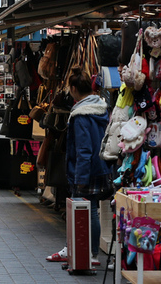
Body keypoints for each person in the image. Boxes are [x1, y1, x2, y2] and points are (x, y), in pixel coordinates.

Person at [46, 68, 110, 267]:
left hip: (85, 169)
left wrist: (79, 178)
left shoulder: (81, 115)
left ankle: (82, 252)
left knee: (85, 209)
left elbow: (83, 149)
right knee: (92, 210)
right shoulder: (100, 108)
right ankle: (86, 253)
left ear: (74, 88)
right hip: (100, 166)